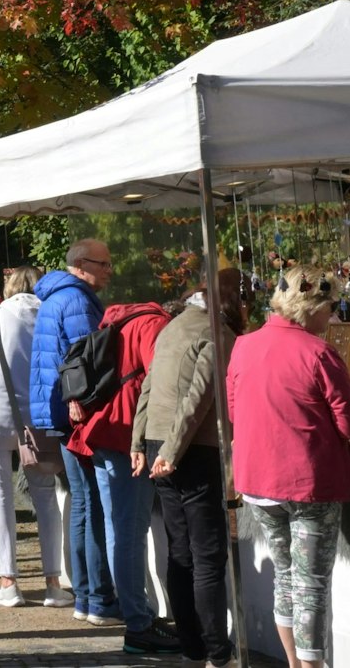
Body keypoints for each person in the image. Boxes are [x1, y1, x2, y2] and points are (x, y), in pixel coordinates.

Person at [228, 264, 350, 667]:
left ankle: (294, 662)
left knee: (285, 575)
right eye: (330, 307)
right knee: (311, 584)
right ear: (311, 308)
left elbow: (235, 411)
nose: (333, 316)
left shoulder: (244, 346)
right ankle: (311, 666)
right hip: (307, 482)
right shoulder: (320, 352)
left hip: (258, 481)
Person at [133, 267, 244, 668]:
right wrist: (171, 452)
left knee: (181, 552)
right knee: (206, 556)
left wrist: (140, 444)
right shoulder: (216, 334)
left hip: (163, 444)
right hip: (189, 450)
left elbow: (148, 386)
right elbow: (197, 400)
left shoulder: (173, 327)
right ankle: (216, 652)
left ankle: (193, 649)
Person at [68, 287, 178, 655]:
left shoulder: (118, 316)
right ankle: (138, 623)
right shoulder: (157, 324)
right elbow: (157, 383)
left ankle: (136, 612)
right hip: (126, 433)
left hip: (103, 428)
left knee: (119, 528)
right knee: (129, 530)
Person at [0, 266, 68, 608]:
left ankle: (9, 581)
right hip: (38, 419)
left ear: (8, 286)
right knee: (45, 498)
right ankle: (53, 582)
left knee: (0, 499)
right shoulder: (50, 316)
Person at [28, 238, 117, 627]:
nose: (109, 270)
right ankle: (97, 597)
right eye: (104, 264)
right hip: (79, 414)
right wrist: (83, 402)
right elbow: (87, 360)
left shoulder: (55, 298)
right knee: (91, 502)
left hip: (61, 414)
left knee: (82, 502)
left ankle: (84, 595)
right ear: (81, 264)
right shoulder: (78, 301)